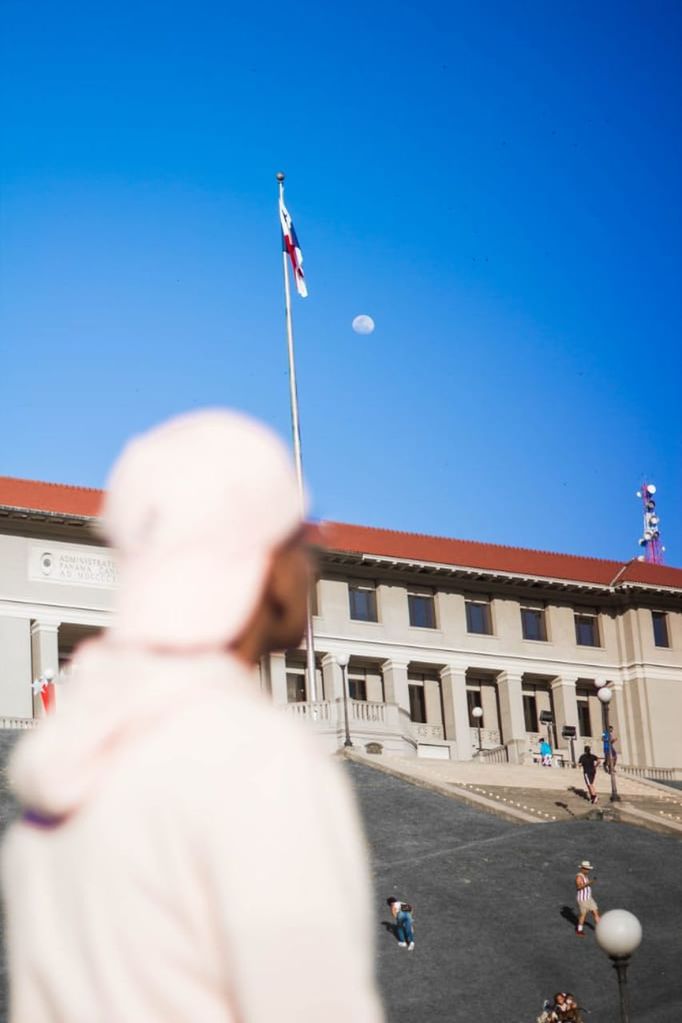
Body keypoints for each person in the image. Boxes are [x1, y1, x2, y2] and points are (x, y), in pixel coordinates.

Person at [1, 410, 384, 1023]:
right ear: (267, 565)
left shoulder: (57, 781)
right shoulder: (254, 760)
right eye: (301, 543)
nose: (311, 567)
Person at [575, 860, 601, 937]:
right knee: (583, 915)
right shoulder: (579, 877)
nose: (588, 870)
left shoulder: (585, 875)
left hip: (589, 898)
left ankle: (601, 929)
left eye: (588, 869)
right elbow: (578, 887)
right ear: (582, 868)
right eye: (586, 869)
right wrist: (589, 883)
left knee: (595, 912)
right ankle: (579, 930)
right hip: (583, 900)